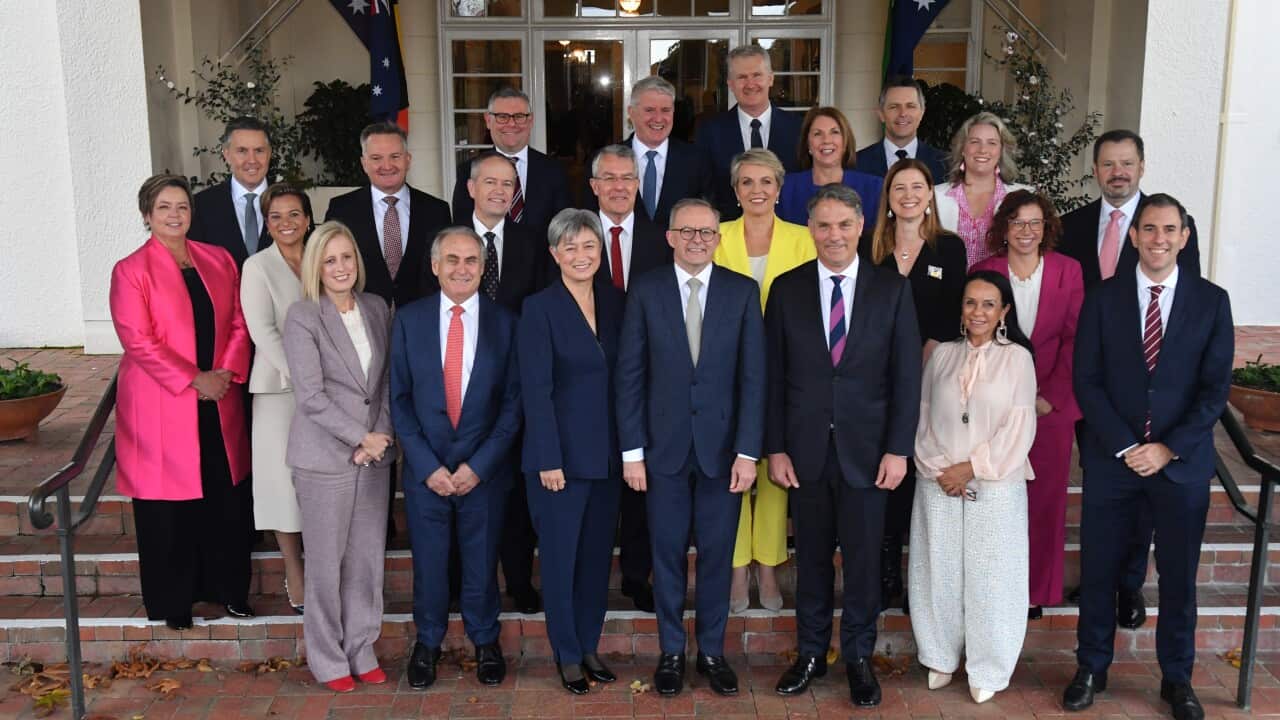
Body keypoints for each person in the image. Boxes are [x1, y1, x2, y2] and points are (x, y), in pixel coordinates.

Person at [1065, 194, 1233, 720]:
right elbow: (1086, 381)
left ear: (1185, 237)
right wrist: (1126, 446)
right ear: (1133, 235)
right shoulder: (1103, 297)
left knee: (1179, 576)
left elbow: (1214, 389)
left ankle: (1177, 678)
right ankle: (1091, 666)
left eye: (1170, 229)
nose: (1159, 238)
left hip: (1181, 464)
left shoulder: (1212, 301)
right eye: (1149, 229)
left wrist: (1167, 448)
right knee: (1099, 570)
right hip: (1113, 461)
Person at [767, 184, 922, 707]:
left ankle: (858, 656)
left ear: (860, 227)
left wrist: (899, 449)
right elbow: (773, 376)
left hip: (870, 453)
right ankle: (810, 653)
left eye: (843, 224)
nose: (833, 234)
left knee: (861, 563)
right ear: (811, 231)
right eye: (823, 225)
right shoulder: (786, 290)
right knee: (809, 560)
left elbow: (906, 378)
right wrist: (776, 448)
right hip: (805, 453)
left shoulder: (891, 289)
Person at [616, 198, 766, 697]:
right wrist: (631, 452)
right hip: (662, 453)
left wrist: (749, 452)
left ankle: (713, 653)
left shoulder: (743, 293)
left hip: (725, 456)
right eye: (687, 232)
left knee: (719, 557)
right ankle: (672, 652)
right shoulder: (646, 290)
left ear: (718, 239)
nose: (697, 240)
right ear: (671, 237)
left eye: (706, 232)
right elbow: (630, 375)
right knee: (667, 557)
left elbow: (753, 378)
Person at [1058, 130, 1204, 628]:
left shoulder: (1169, 225)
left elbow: (1187, 311)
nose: (1117, 172)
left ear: (1141, 167)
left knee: (1146, 493)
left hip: (1152, 390)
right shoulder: (1074, 224)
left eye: (1127, 163)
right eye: (1108, 164)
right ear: (1095, 170)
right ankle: (1102, 574)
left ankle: (1130, 583)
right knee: (1106, 483)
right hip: (1095, 383)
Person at [109, 174, 254, 631]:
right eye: (165, 207)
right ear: (147, 215)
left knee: (223, 500)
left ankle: (229, 591)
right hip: (162, 406)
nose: (175, 215)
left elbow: (239, 321)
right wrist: (194, 380)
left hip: (219, 398)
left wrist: (225, 374)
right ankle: (174, 602)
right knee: (167, 510)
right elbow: (139, 341)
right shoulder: (130, 270)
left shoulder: (219, 259)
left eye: (182, 207)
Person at [390, 227, 522, 690]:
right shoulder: (409, 319)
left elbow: (513, 404)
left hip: (483, 472)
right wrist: (427, 467)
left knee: (482, 562)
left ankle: (485, 641)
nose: (461, 268)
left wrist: (477, 467)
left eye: (471, 260)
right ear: (435, 265)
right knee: (428, 563)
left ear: (483, 268)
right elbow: (399, 401)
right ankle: (427, 642)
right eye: (452, 259)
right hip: (428, 472)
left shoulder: (506, 323)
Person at [910, 270, 1038, 704]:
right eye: (970, 303)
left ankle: (989, 665)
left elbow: (1019, 425)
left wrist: (972, 467)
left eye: (988, 304)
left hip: (995, 482)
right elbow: (923, 418)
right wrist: (940, 467)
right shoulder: (941, 355)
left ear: (1003, 311)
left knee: (991, 575)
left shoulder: (1017, 358)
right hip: (938, 481)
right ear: (960, 311)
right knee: (937, 570)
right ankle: (940, 655)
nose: (978, 312)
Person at [282, 221, 394, 693]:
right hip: (326, 457)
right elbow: (310, 395)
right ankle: (327, 657)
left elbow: (388, 380)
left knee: (366, 560)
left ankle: (361, 645)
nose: (341, 267)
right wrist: (361, 437)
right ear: (316, 268)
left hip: (375, 456)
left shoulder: (375, 308)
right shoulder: (302, 316)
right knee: (326, 564)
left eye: (347, 257)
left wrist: (382, 434)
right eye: (330, 260)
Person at [518, 209, 626, 695]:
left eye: (590, 247)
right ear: (554, 253)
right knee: (560, 561)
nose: (581, 256)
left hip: (607, 457)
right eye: (571, 247)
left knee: (596, 558)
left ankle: (587, 645)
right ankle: (565, 652)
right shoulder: (539, 308)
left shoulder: (617, 300)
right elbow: (535, 390)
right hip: (558, 461)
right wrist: (548, 458)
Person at [712, 148, 815, 613]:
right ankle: (736, 569)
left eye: (766, 182)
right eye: (747, 182)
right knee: (730, 471)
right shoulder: (715, 236)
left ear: (780, 188)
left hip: (785, 368)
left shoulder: (804, 238)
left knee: (775, 470)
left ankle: (768, 567)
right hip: (723, 369)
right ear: (735, 192)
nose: (757, 190)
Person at [862, 159, 966, 613]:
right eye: (899, 187)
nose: (908, 194)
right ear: (888, 195)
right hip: (871, 380)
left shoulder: (950, 248)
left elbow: (951, 314)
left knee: (918, 470)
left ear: (930, 195)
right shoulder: (870, 245)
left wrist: (924, 356)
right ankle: (884, 571)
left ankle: (914, 573)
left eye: (917, 186)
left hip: (932, 377)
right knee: (882, 472)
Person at [973, 191, 1084, 618]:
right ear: (1004, 227)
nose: (1026, 231)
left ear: (1047, 228)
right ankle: (992, 584)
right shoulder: (984, 271)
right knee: (994, 496)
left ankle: (1035, 590)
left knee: (1045, 500)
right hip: (994, 407)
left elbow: (1076, 338)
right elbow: (976, 335)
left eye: (1034, 223)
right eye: (1017, 222)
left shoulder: (1068, 271)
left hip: (1050, 408)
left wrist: (1050, 397)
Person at [589, 143, 673, 613]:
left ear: (638, 185)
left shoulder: (664, 240)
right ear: (595, 186)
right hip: (591, 382)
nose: (619, 187)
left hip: (651, 381)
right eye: (610, 178)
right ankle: (596, 573)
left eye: (628, 178)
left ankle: (638, 576)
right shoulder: (575, 235)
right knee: (601, 482)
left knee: (643, 486)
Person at [465, 151, 547, 614]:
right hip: (459, 385)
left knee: (515, 492)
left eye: (507, 184)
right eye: (490, 182)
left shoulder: (531, 243)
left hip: (516, 384)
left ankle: (518, 581)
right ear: (472, 187)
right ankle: (469, 587)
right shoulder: (449, 242)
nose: (499, 190)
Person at [239, 183, 313, 615]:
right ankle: (293, 567)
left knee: (319, 481)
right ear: (266, 223)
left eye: (294, 214)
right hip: (278, 387)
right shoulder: (257, 266)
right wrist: (302, 375)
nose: (286, 223)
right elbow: (262, 330)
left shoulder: (323, 256)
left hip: (330, 387)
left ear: (307, 217)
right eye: (276, 216)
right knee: (281, 482)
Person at [325, 122, 452, 310]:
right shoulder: (341, 210)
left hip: (421, 319)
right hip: (360, 317)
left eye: (395, 156)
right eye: (376, 158)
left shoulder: (437, 210)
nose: (387, 166)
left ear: (408, 160)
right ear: (364, 163)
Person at [587, 77, 715, 231]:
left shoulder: (697, 160)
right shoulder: (602, 161)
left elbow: (708, 217)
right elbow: (589, 220)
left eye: (665, 110)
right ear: (631, 112)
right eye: (649, 110)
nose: (658, 118)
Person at [696, 44, 803, 222]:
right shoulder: (710, 132)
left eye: (757, 75)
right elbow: (706, 191)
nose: (750, 84)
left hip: (789, 236)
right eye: (742, 77)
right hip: (729, 237)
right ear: (730, 84)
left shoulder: (799, 129)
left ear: (771, 78)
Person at [452, 87, 572, 245]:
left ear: (530, 121)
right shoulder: (468, 171)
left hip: (541, 268)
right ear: (488, 120)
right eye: (502, 117)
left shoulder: (554, 171)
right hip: (491, 266)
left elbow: (564, 232)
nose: (511, 124)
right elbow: (463, 232)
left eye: (519, 116)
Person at [934, 112, 1032, 269]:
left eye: (992, 143)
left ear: (1001, 151)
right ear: (963, 149)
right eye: (974, 142)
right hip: (947, 290)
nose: (982, 150)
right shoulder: (933, 196)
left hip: (1003, 290)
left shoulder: (1025, 197)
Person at [189, 117, 272, 269]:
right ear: (226, 154)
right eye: (242, 151)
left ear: (270, 153)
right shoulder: (201, 205)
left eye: (259, 151)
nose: (252, 160)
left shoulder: (294, 202)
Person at [777, 106, 882, 226]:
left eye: (834, 132)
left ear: (845, 142)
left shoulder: (874, 188)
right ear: (807, 144)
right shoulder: (785, 188)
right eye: (817, 134)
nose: (826, 140)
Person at [854, 76, 948, 181]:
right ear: (881, 114)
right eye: (894, 107)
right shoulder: (856, 164)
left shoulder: (944, 164)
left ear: (922, 113)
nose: (903, 113)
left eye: (910, 106)